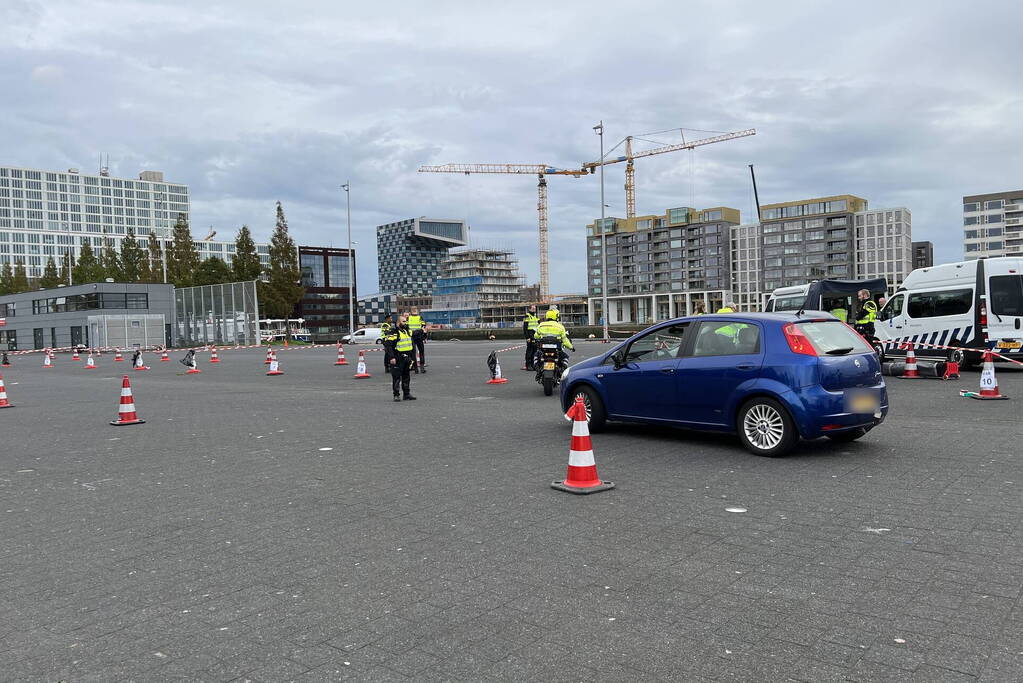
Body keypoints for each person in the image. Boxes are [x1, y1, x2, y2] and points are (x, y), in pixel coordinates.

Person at [384, 314, 416, 402]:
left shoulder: (406, 331)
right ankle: (396, 395)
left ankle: (406, 394)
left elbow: (415, 335)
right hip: (398, 357)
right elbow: (388, 345)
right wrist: (391, 357)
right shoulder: (393, 332)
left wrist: (423, 331)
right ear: (398, 322)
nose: (406, 323)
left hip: (407, 357)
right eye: (404, 321)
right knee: (396, 377)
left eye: (406, 321)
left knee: (406, 376)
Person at [407, 307, 427, 373]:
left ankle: (416, 368)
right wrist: (424, 336)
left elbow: (406, 327)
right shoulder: (420, 317)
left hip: (412, 336)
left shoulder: (408, 318)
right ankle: (421, 367)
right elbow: (424, 326)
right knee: (421, 352)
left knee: (413, 353)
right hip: (419, 336)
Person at [522, 304, 539, 370]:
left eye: (535, 309)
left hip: (535, 335)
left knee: (535, 351)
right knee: (529, 351)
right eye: (533, 309)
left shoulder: (535, 316)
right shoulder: (527, 316)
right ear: (529, 309)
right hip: (530, 335)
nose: (534, 310)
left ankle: (533, 364)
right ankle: (528, 365)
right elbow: (525, 328)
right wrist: (527, 338)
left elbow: (539, 325)